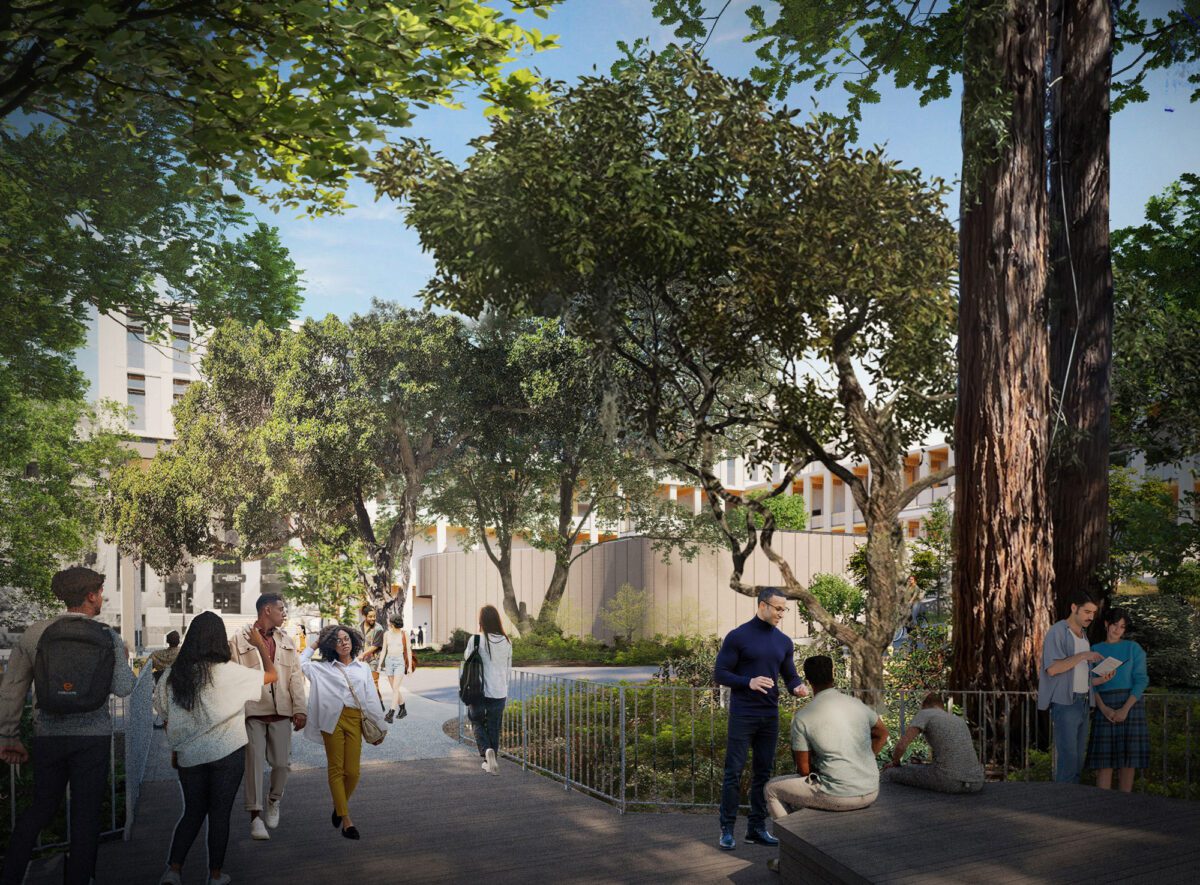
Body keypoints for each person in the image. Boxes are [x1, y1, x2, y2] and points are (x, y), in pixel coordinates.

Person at [0, 567, 135, 885]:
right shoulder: (108, 637)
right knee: (87, 815)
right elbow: (124, 688)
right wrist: (125, 657)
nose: (102, 597)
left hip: (49, 735)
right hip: (94, 739)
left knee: (40, 808)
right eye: (101, 592)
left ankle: (11, 876)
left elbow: (12, 688)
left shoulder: (36, 633)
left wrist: (8, 735)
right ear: (91, 596)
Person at [153, 610, 277, 885]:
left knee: (193, 812)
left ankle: (173, 870)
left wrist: (176, 748)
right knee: (219, 814)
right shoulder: (231, 673)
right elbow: (271, 675)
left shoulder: (173, 676)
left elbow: (165, 715)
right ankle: (215, 875)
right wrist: (259, 646)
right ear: (220, 640)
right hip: (228, 754)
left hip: (189, 755)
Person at [763, 655, 888, 873]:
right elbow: (882, 733)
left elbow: (804, 771)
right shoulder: (857, 705)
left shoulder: (803, 716)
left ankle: (791, 856)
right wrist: (865, 758)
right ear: (833, 675)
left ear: (808, 681)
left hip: (838, 795)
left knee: (772, 789)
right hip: (870, 789)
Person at [713, 587, 808, 851]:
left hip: (770, 716)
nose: (782, 614)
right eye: (778, 608)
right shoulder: (738, 637)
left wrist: (797, 687)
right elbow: (720, 673)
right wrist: (748, 682)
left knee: (763, 774)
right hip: (743, 716)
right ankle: (727, 830)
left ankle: (756, 829)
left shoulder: (783, 642)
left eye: (784, 609)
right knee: (733, 773)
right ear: (763, 606)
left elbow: (790, 676)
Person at [229, 593, 308, 841]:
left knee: (282, 764)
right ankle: (255, 818)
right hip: (252, 711)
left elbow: (296, 676)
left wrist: (300, 708)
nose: (285, 613)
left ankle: (274, 800)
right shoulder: (238, 640)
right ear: (266, 610)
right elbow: (232, 677)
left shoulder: (287, 640)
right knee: (253, 764)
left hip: (282, 712)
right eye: (281, 609)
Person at [299, 624, 386, 840]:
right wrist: (318, 642)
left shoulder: (362, 668)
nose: (344, 642)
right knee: (336, 769)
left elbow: (371, 699)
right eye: (337, 640)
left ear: (353, 640)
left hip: (355, 719)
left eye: (346, 638)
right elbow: (300, 663)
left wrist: (380, 728)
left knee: (353, 772)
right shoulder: (323, 668)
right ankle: (346, 820)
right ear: (331, 645)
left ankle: (339, 806)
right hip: (332, 721)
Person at [1037, 590, 1114, 783]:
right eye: (1087, 612)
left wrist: (1101, 680)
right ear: (1074, 608)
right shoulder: (1058, 631)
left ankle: (1071, 806)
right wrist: (1083, 656)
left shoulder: (1083, 636)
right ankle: (1062, 807)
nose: (1091, 617)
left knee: (1078, 761)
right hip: (1065, 704)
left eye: (1093, 613)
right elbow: (1053, 669)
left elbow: (1079, 676)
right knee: (1068, 761)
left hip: (1083, 702)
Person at [1086, 607, 1149, 792]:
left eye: (1122, 627)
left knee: (1128, 762)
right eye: (1115, 625)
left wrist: (1125, 709)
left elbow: (1141, 680)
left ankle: (1125, 808)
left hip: (1130, 705)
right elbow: (1090, 683)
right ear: (1106, 624)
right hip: (1103, 704)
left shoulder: (1133, 648)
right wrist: (1103, 708)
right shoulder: (1094, 650)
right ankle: (1102, 806)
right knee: (1104, 762)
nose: (1117, 630)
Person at [882, 693, 985, 793]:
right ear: (941, 706)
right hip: (976, 782)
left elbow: (902, 745)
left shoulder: (925, 713)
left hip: (949, 781)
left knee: (890, 772)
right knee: (917, 767)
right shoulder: (958, 719)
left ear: (924, 705)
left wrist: (895, 762)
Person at [465, 605, 512, 776]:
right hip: (500, 690)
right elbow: (508, 668)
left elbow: (466, 660)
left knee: (477, 721)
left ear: (482, 621)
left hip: (478, 690)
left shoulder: (476, 640)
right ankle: (492, 761)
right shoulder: (507, 641)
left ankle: (486, 753)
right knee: (494, 726)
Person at [378, 613, 413, 723]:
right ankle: (403, 709)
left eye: (390, 622)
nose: (389, 623)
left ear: (392, 624)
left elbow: (408, 650)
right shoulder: (386, 634)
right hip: (389, 661)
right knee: (395, 689)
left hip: (399, 662)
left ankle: (391, 712)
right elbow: (384, 650)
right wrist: (380, 664)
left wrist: (410, 666)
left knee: (395, 688)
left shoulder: (404, 634)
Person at [358, 605, 385, 692]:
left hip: (373, 661)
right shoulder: (358, 627)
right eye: (370, 616)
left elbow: (376, 645)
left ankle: (380, 705)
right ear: (364, 616)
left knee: (374, 685)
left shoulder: (378, 629)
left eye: (374, 616)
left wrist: (363, 654)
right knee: (361, 686)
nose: (373, 618)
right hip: (360, 662)